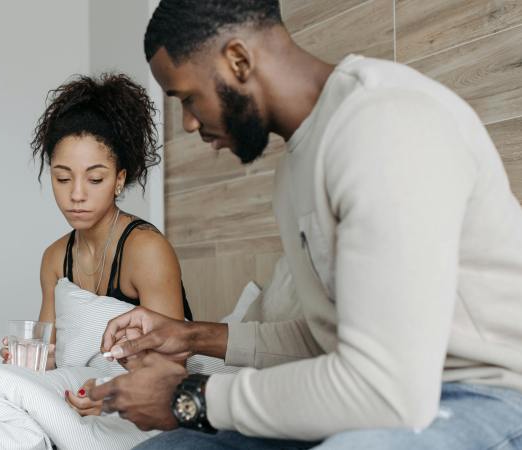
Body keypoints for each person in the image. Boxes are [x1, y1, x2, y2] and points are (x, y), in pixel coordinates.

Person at [88, 0, 522, 448]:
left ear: (238, 60)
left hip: (489, 397)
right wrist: (192, 336)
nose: (190, 123)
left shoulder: (384, 125)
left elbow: (387, 392)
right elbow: (328, 337)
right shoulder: (296, 169)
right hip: (376, 398)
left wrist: (191, 398)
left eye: (188, 98)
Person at [0, 73, 194, 416]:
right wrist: (28, 362)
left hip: (150, 405)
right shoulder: (55, 259)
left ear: (119, 179)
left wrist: (110, 398)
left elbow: (170, 369)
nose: (76, 194)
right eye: (62, 178)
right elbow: (52, 355)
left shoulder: (147, 251)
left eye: (95, 178)